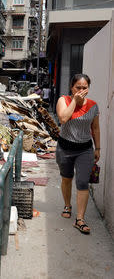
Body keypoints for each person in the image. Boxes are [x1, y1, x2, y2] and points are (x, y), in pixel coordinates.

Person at [55, 74, 100, 234]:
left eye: (84, 88)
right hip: (65, 148)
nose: (81, 90)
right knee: (66, 179)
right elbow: (63, 118)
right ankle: (67, 205)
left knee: (82, 182)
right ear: (71, 88)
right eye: (78, 87)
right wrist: (75, 100)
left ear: (88, 88)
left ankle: (80, 219)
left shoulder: (93, 106)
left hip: (85, 149)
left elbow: (95, 128)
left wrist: (98, 148)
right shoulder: (63, 100)